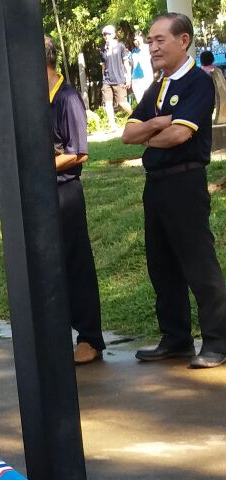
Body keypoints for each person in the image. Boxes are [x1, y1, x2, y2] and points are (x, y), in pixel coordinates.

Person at [123, 13, 226, 368]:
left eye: (159, 40)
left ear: (183, 41)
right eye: (150, 41)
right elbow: (128, 134)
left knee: (199, 263)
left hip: (185, 182)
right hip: (156, 184)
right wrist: (157, 123)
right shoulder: (158, 86)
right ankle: (176, 338)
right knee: (161, 264)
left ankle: (217, 341)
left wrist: (149, 135)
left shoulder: (199, 82)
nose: (152, 47)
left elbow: (180, 135)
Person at [45, 36, 106, 365]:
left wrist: (38, 166)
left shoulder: (66, 98)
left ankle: (89, 339)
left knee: (75, 264)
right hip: (39, 195)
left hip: (65, 192)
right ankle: (56, 335)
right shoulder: (34, 98)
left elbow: (79, 152)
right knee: (48, 266)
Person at [100, 24, 133, 130]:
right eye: (104, 34)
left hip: (119, 79)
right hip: (107, 81)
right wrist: (103, 77)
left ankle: (135, 117)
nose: (106, 36)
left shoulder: (120, 46)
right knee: (108, 103)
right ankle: (113, 126)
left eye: (108, 34)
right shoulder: (103, 49)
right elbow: (103, 66)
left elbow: (126, 63)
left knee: (122, 102)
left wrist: (128, 77)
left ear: (113, 34)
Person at [198, 50, 226, 124]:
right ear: (213, 59)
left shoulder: (199, 72)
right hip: (215, 97)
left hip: (203, 99)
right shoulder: (217, 71)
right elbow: (222, 84)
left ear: (201, 61)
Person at [132, 30, 155, 103]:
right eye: (134, 40)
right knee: (139, 101)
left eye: (137, 39)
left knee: (149, 98)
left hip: (146, 77)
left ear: (142, 38)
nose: (136, 41)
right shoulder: (133, 51)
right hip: (135, 79)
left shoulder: (148, 48)